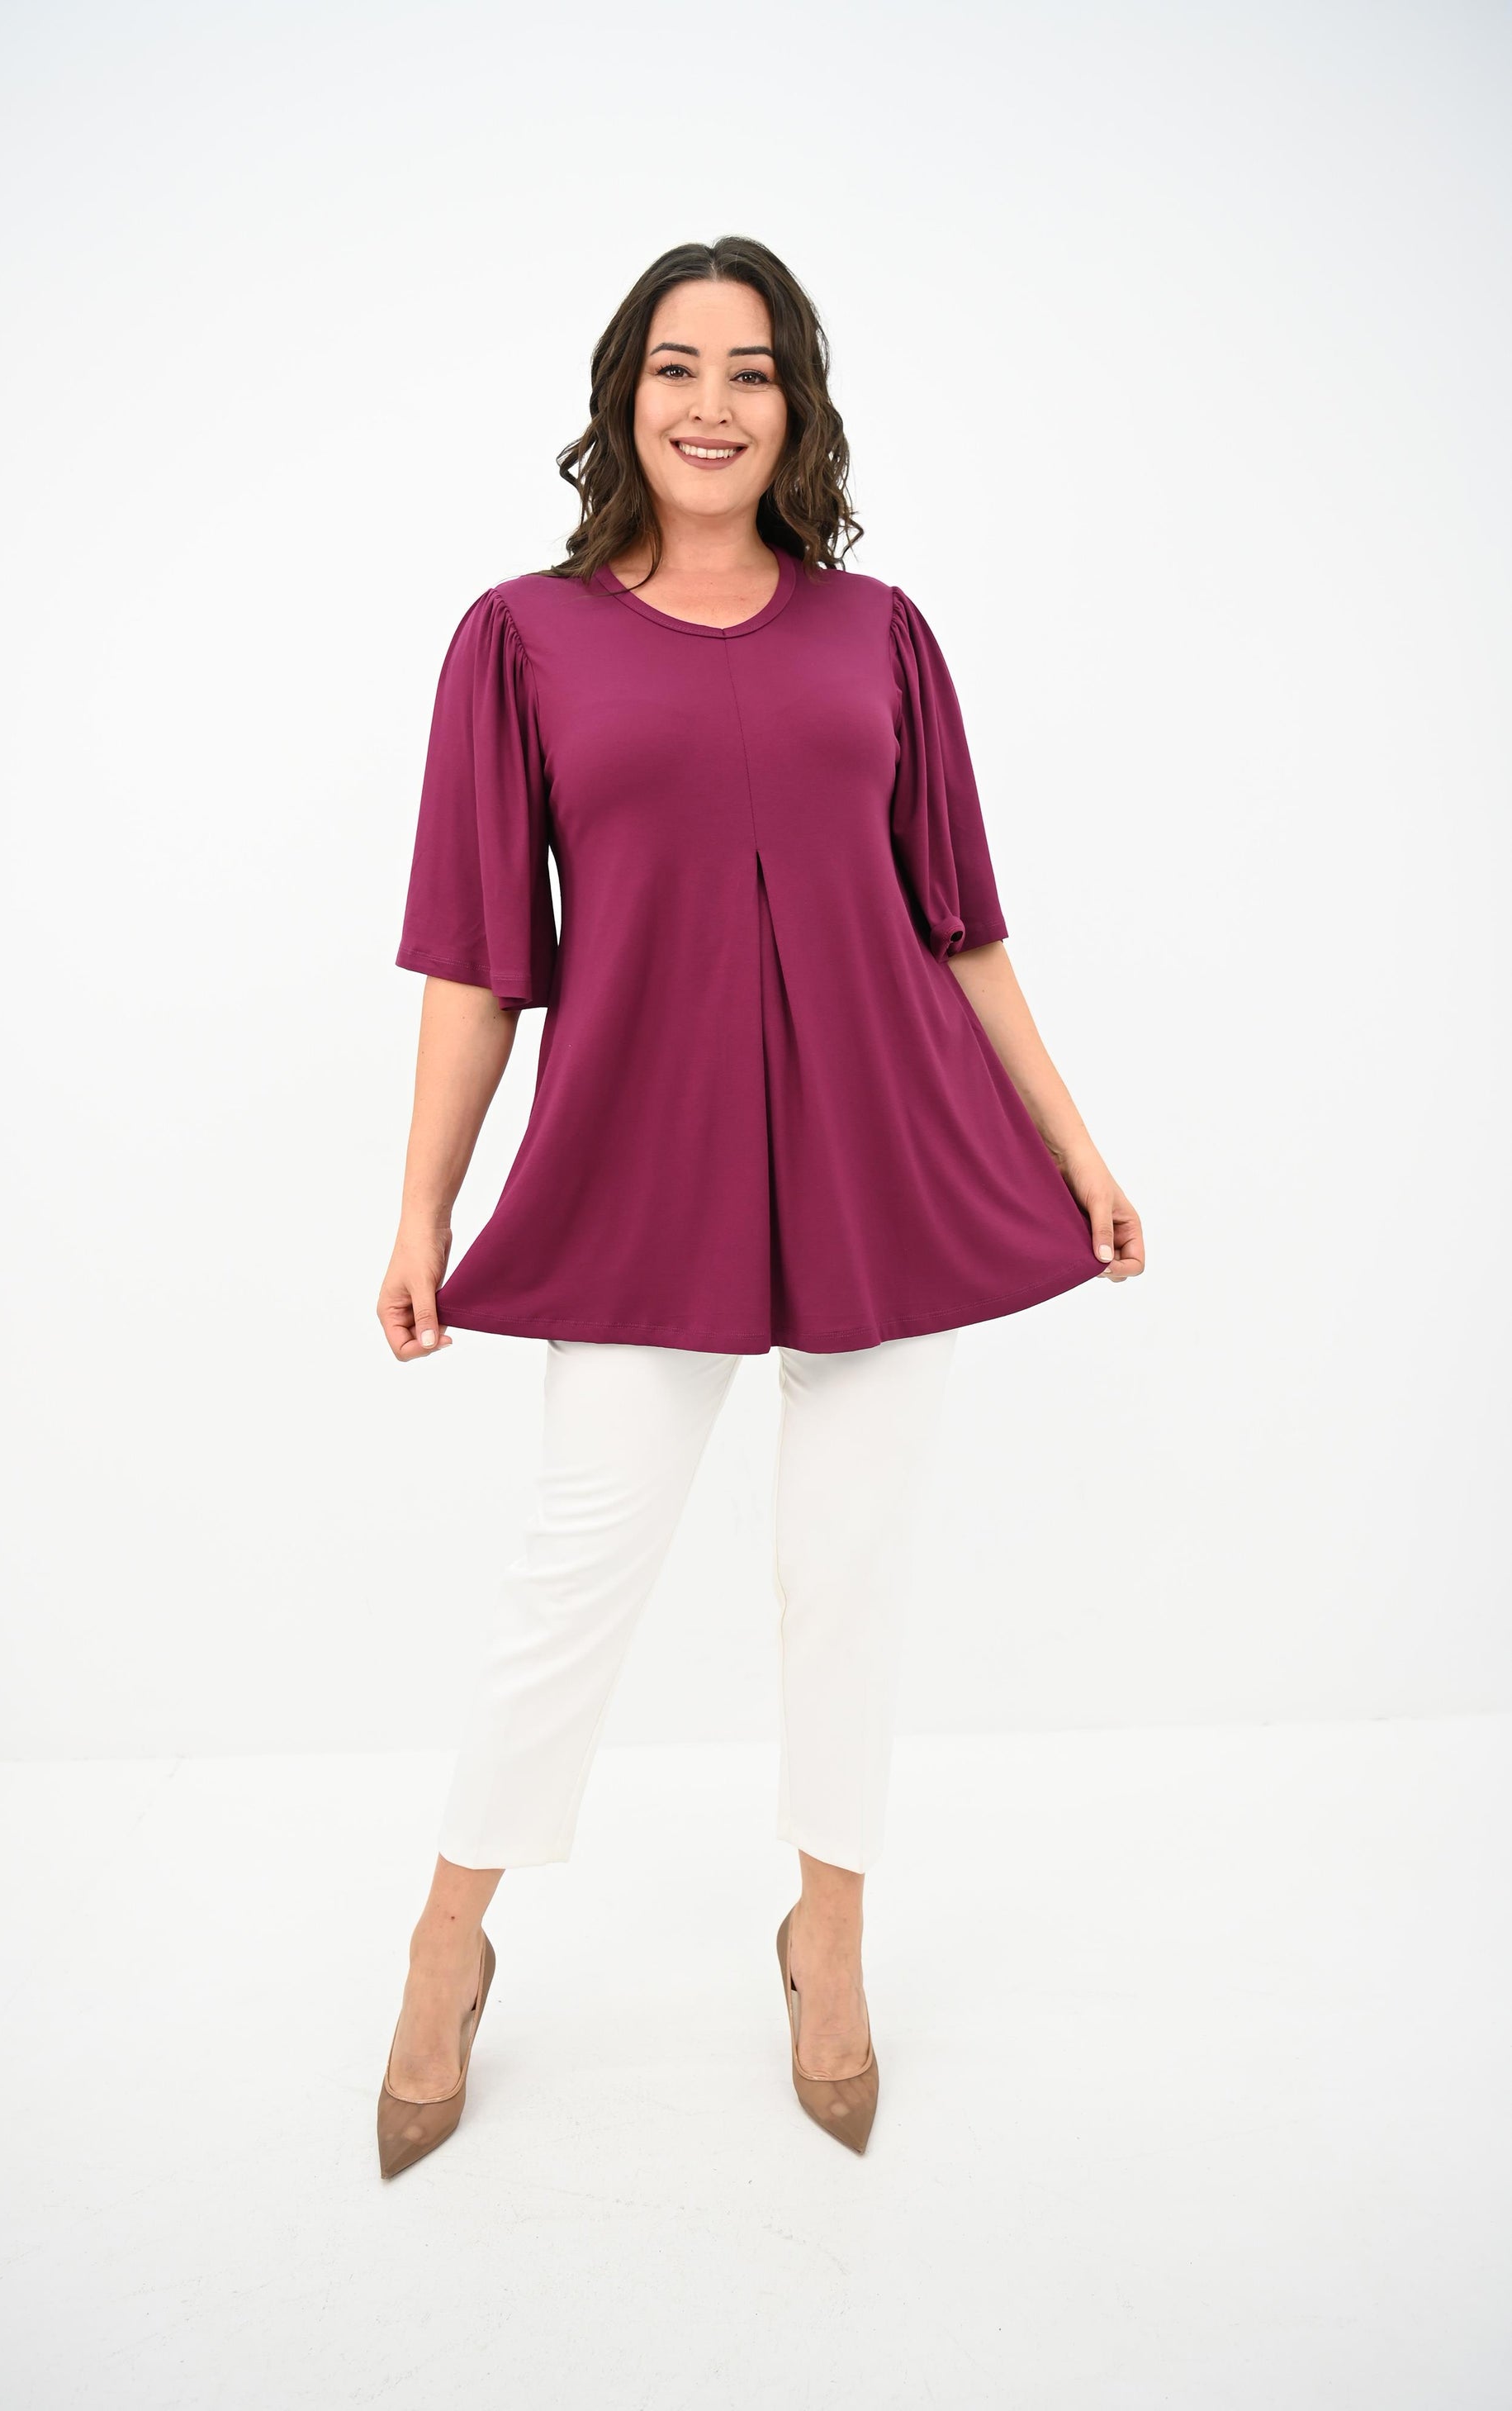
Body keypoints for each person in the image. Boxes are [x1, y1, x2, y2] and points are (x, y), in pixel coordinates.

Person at [372, 235, 1145, 2176]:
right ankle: (450, 1936)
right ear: (622, 397)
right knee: (577, 1569)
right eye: (674, 366)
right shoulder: (522, 639)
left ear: (796, 405)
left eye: (750, 368)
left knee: (847, 1571)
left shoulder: (878, 631)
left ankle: (830, 1934)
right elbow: (480, 959)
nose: (710, 403)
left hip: (888, 1150)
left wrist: (1074, 1144)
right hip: (647, 1159)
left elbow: (958, 924)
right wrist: (420, 1210)